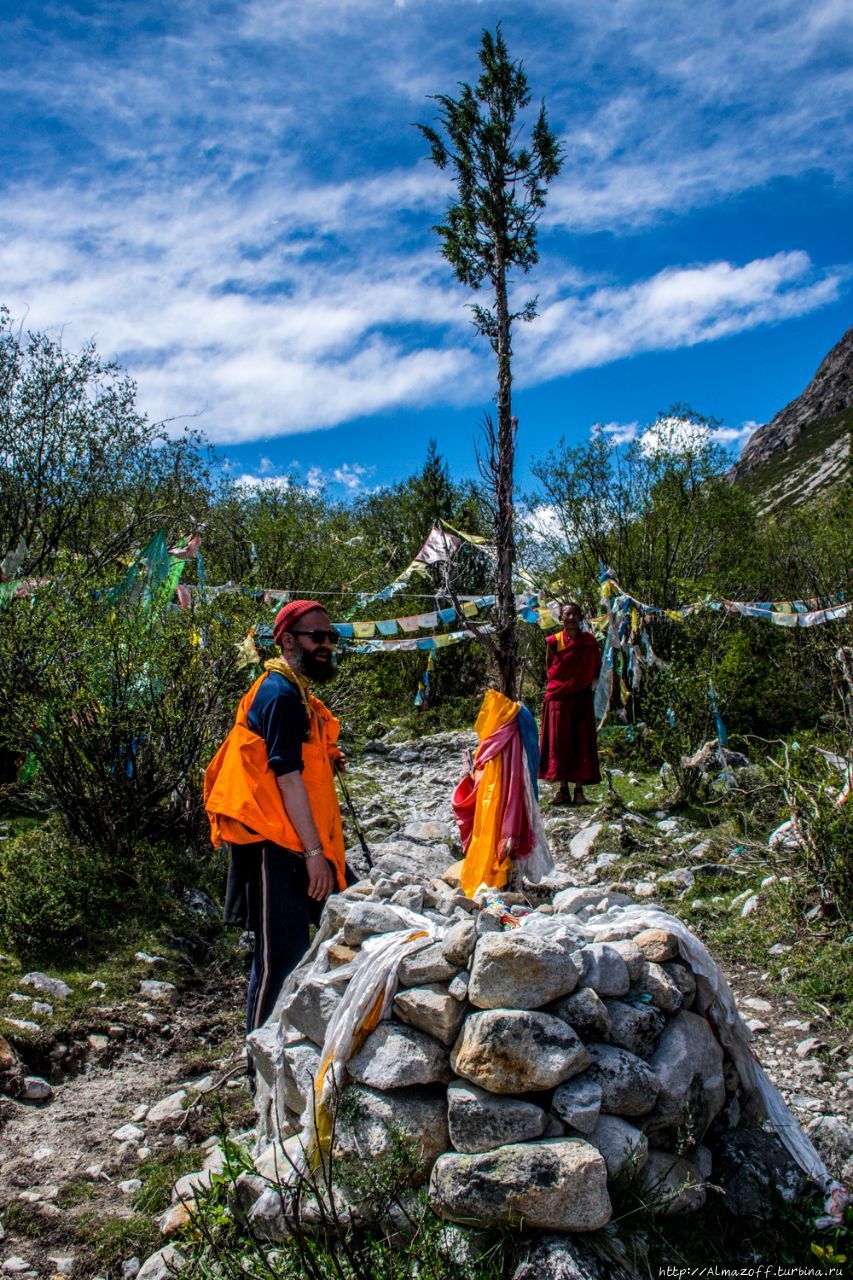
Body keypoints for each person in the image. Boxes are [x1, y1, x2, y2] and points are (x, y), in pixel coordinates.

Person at [204, 600, 349, 1041]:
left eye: (331, 637)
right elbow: (286, 779)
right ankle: (259, 1061)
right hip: (275, 846)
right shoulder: (280, 694)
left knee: (336, 927)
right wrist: (315, 856)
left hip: (291, 841)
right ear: (286, 640)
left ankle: (301, 1040)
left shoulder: (295, 690)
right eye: (316, 637)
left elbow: (295, 763)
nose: (326, 645)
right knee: (278, 959)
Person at [538, 602, 602, 805]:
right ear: (561, 619)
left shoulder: (589, 642)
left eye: (575, 614)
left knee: (580, 740)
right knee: (559, 742)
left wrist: (578, 683)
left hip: (581, 696)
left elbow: (595, 666)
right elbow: (550, 667)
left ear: (581, 617)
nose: (572, 617)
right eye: (568, 614)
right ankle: (563, 789)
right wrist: (561, 684)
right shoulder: (554, 641)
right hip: (559, 697)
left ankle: (579, 790)